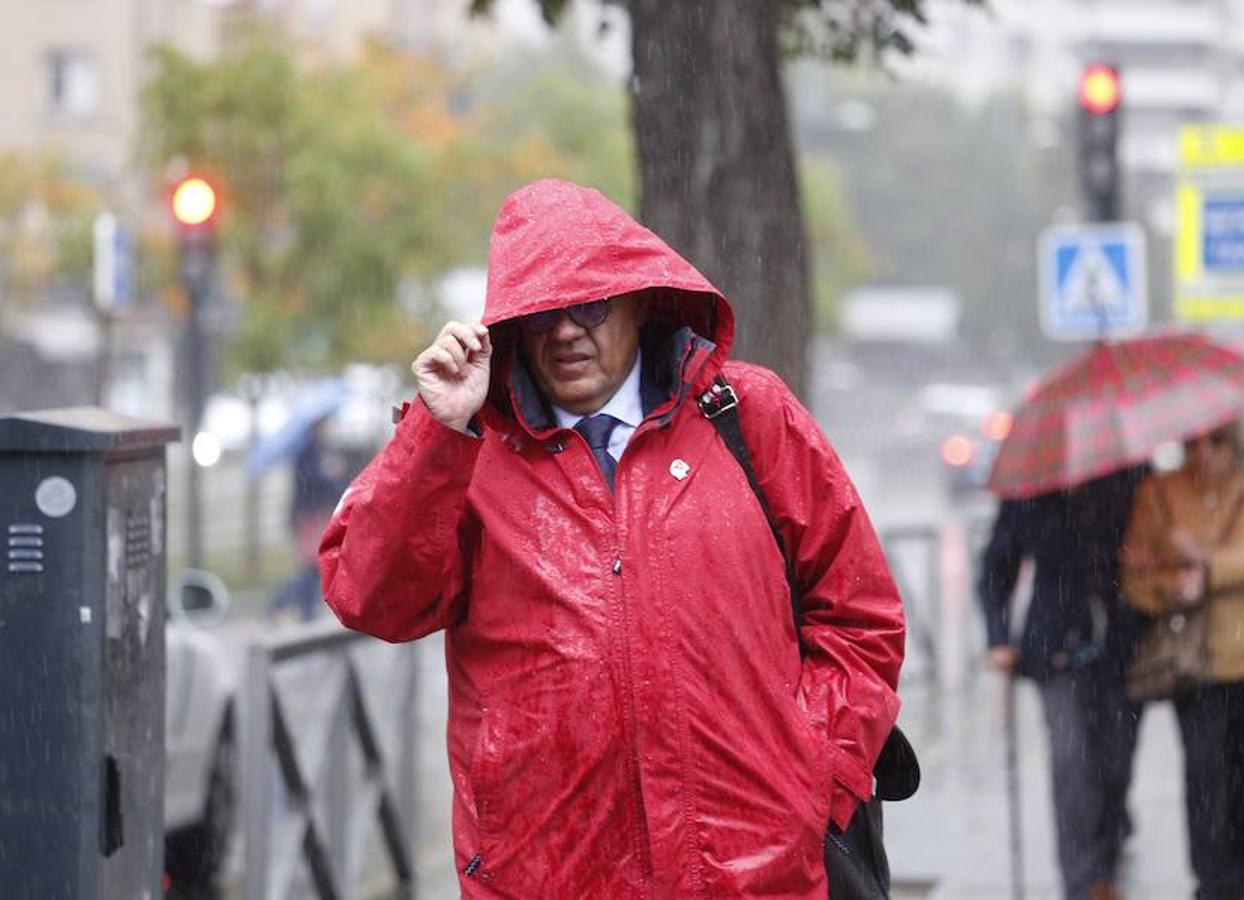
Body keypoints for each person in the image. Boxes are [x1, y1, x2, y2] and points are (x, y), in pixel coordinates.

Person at [318, 179, 906, 897]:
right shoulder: (467, 453)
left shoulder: (749, 415)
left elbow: (860, 617)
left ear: (639, 301)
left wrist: (815, 773)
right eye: (539, 314)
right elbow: (368, 598)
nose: (565, 332)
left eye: (589, 305)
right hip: (548, 876)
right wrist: (436, 433)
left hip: (755, 874)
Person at [1121, 421, 1244, 900]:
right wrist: (1170, 587)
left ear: (1236, 440)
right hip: (1193, 665)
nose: (1204, 453)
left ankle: (1236, 876)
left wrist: (1209, 565)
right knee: (1203, 774)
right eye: (1192, 442)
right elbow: (1136, 573)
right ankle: (1211, 882)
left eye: (1216, 441)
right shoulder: (1160, 492)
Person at [979, 466, 1147, 900]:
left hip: (1122, 644)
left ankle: (1106, 856)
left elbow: (1153, 542)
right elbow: (997, 566)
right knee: (1071, 761)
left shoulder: (1127, 475)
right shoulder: (1029, 487)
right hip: (1055, 648)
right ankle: (1080, 882)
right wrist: (998, 637)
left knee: (1116, 761)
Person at [268, 417, 344, 621]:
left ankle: (296, 607)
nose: (328, 429)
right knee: (311, 567)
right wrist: (328, 473)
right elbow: (309, 480)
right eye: (325, 425)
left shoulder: (321, 449)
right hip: (308, 518)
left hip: (314, 516)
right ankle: (287, 604)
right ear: (316, 426)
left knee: (313, 567)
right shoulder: (306, 451)